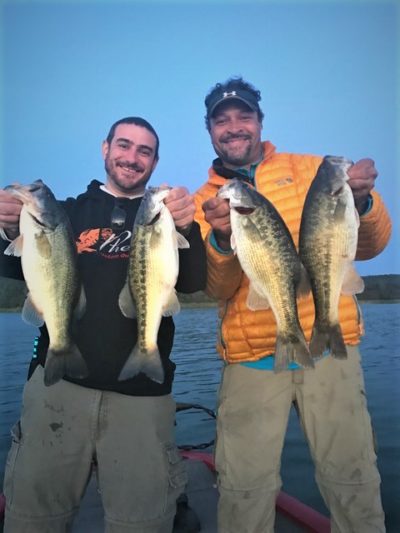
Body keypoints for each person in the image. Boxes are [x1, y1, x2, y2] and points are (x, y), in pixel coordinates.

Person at [194, 77, 392, 533]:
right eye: (222, 121)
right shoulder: (207, 200)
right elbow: (218, 289)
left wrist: (361, 200)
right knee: (243, 489)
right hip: (250, 361)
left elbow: (371, 246)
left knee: (354, 480)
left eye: (244, 116)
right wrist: (222, 240)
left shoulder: (314, 171)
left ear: (260, 122)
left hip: (331, 350)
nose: (234, 127)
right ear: (209, 131)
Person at [0, 116, 206, 532]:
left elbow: (193, 281)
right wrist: (7, 225)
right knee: (33, 518)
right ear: (105, 149)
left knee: (142, 522)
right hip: (58, 391)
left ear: (155, 161)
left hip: (142, 397)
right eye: (124, 145)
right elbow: (15, 267)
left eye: (144, 151)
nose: (132, 157)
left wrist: (187, 226)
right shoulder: (67, 212)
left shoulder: (162, 215)